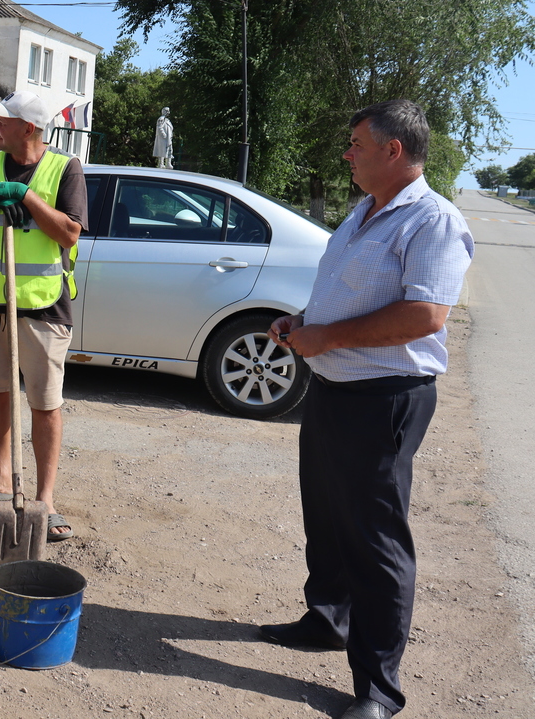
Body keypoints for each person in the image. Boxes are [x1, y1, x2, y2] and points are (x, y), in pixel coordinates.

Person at [259, 99, 473, 719]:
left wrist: (330, 337)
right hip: (332, 390)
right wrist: (304, 322)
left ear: (393, 150)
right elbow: (348, 292)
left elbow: (424, 315)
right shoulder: (365, 212)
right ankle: (328, 618)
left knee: (376, 540)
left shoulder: (431, 220)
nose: (347, 153)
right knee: (325, 514)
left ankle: (378, 688)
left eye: (356, 143)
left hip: (385, 398)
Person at [0, 91, 87, 542]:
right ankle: (1, 478)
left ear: (28, 127)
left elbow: (68, 233)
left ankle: (44, 499)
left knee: (45, 403)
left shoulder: (65, 169)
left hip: (44, 306)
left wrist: (27, 198)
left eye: (2, 121)